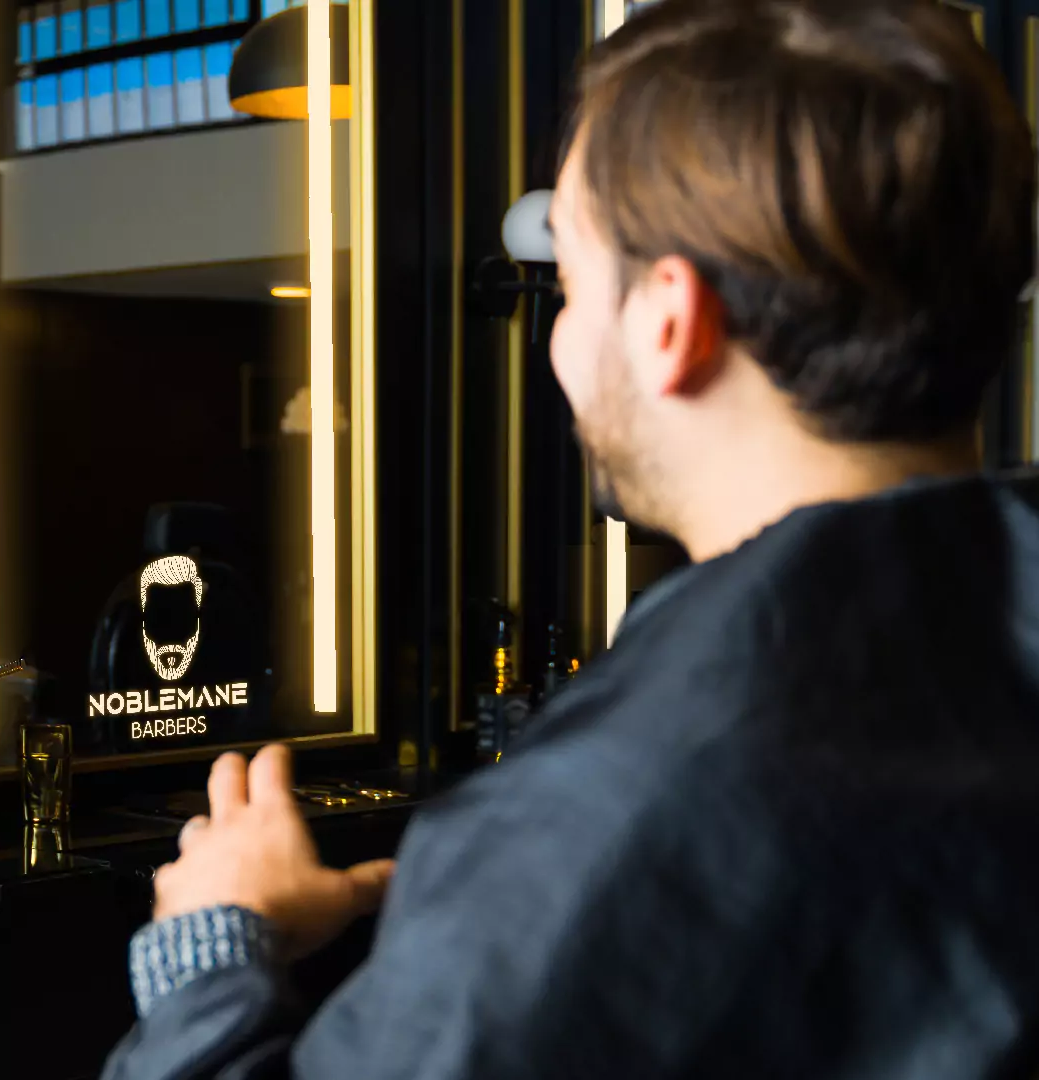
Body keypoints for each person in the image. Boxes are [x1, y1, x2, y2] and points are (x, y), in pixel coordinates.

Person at [108, 2, 1039, 1076]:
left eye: (567, 284)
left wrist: (209, 947)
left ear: (666, 323)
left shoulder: (613, 793)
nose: (557, 339)